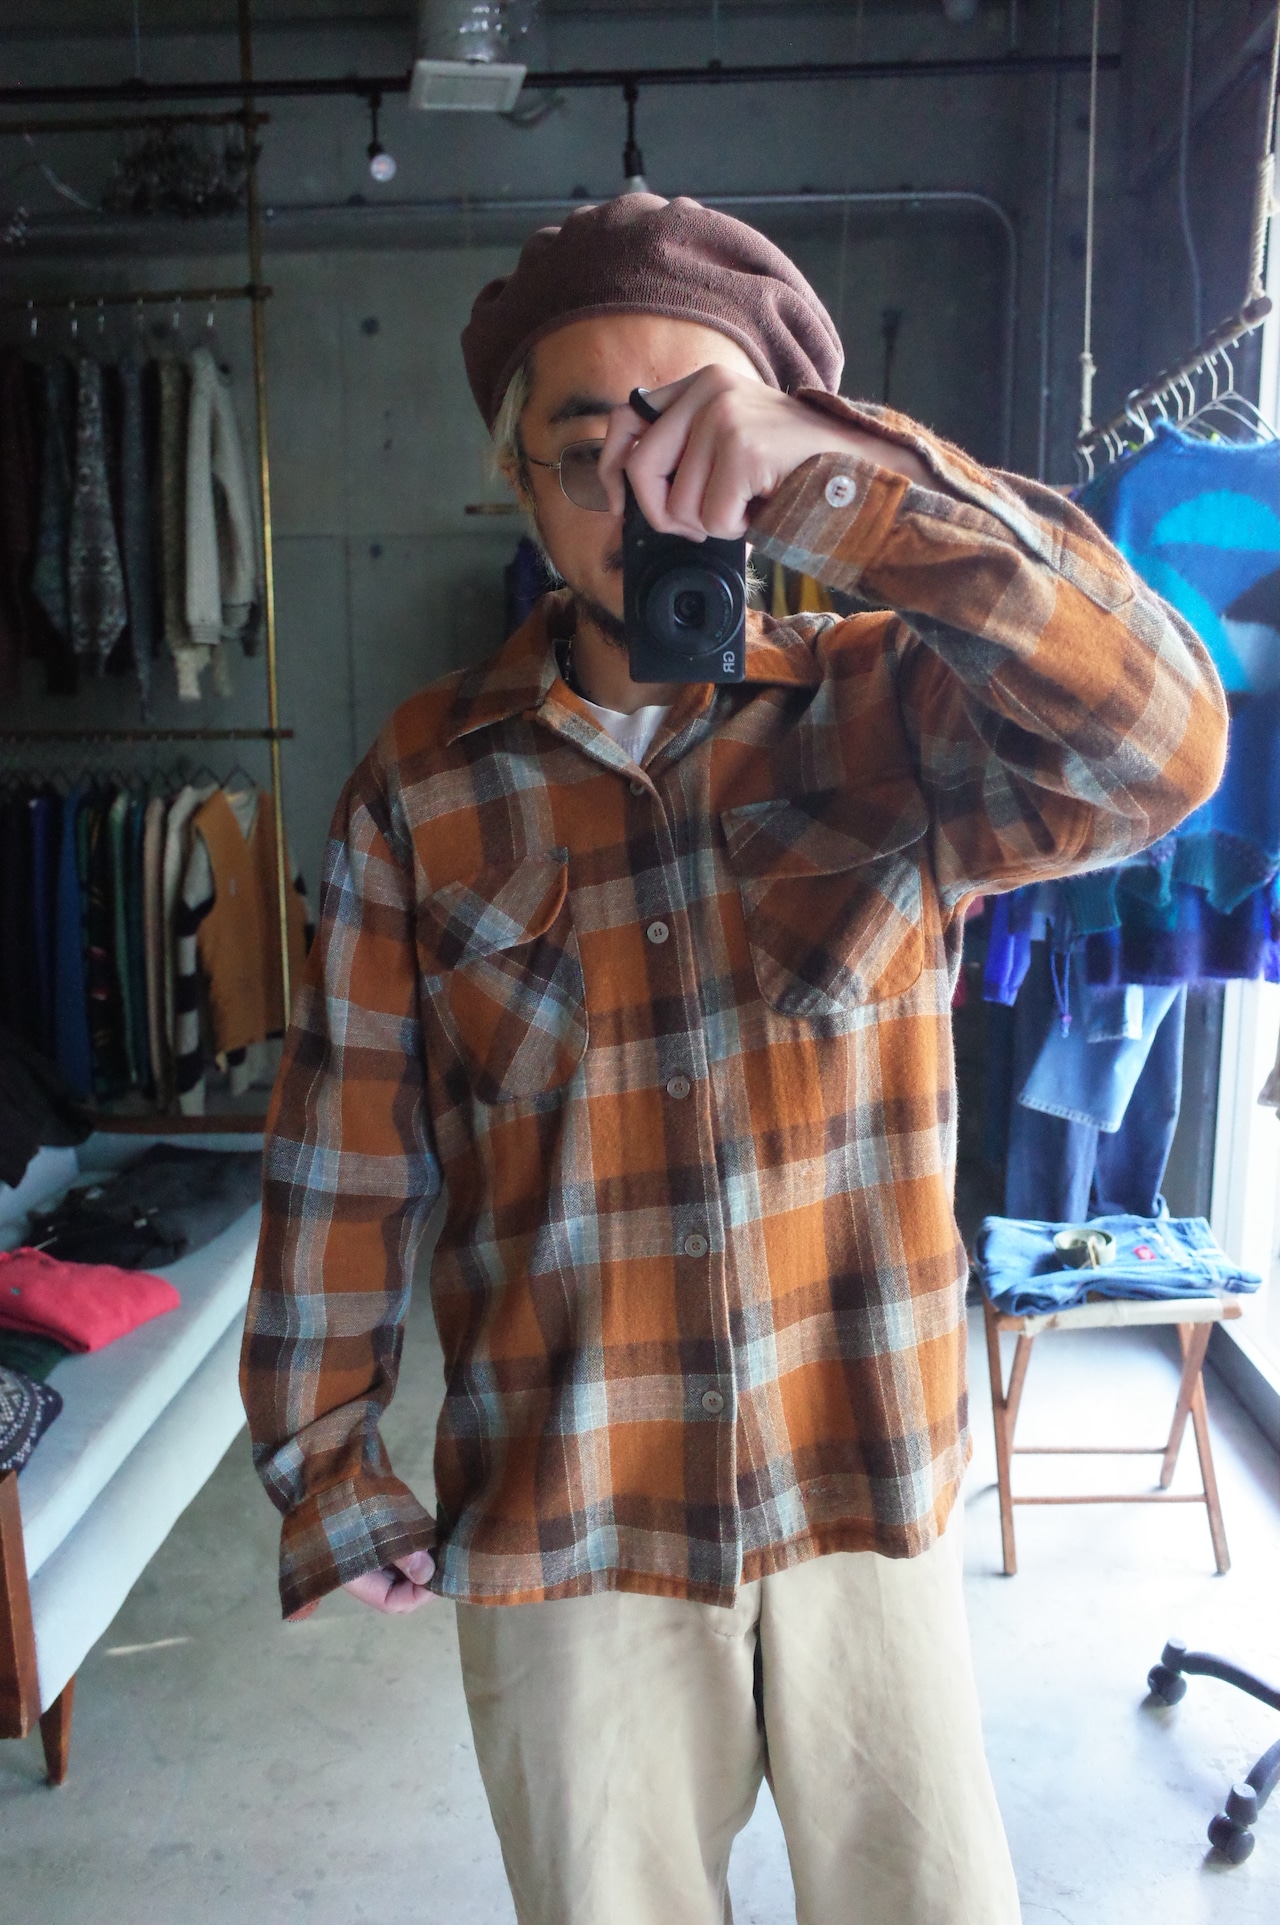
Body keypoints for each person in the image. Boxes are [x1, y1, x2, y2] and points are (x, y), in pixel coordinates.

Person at [241, 195, 1226, 1925]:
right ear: (521, 484)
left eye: (694, 431)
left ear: (779, 448)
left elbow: (1167, 739)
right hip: (575, 1520)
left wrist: (867, 491)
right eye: (585, 448)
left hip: (864, 1484)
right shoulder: (425, 784)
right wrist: (328, 1460)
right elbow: (351, 1139)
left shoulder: (895, 712)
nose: (642, 492)